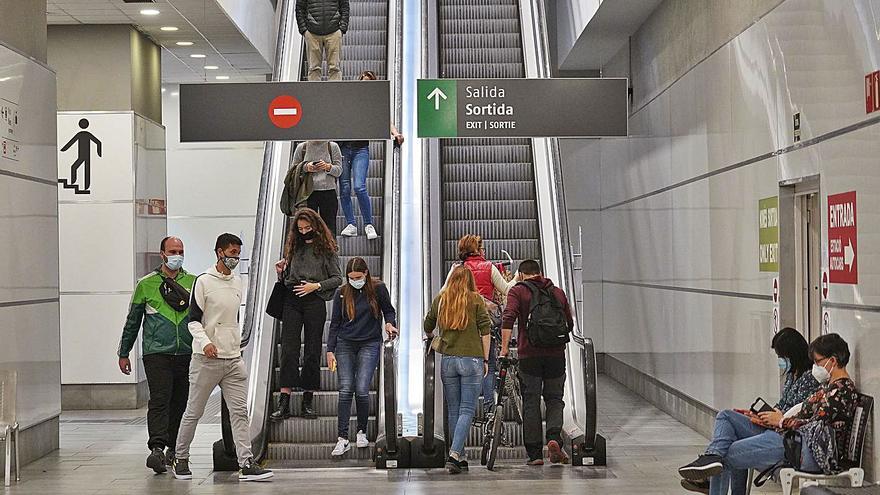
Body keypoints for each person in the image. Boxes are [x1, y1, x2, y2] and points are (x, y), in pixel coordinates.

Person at [678, 333, 859, 495]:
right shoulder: (828, 387)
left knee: (725, 454)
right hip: (788, 437)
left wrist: (781, 421)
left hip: (801, 447)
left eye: (817, 362)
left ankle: (712, 460)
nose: (815, 366)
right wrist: (770, 419)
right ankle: (711, 456)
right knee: (726, 416)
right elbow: (803, 415)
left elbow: (816, 428)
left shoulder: (842, 392)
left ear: (832, 361)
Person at [173, 234, 273, 481]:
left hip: (232, 359)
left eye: (238, 253)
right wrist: (205, 342)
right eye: (232, 253)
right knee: (194, 411)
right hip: (206, 359)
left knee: (239, 413)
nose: (235, 258)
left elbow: (233, 319)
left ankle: (246, 462)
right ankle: (180, 457)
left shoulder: (237, 282)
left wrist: (235, 344)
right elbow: (193, 320)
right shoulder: (203, 281)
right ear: (219, 252)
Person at [117, 236, 195, 474]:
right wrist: (124, 352)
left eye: (180, 251)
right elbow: (133, 321)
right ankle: (157, 448)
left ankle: (174, 447)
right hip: (157, 353)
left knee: (180, 401)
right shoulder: (146, 284)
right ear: (162, 254)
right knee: (160, 399)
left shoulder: (193, 282)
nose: (177, 255)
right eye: (172, 251)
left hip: (186, 352)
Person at [271, 208, 343, 421]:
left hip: (314, 299)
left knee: (312, 349)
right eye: (300, 228)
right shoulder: (294, 246)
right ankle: (284, 401)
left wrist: (316, 286)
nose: (303, 232)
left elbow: (337, 278)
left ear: (316, 226)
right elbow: (288, 276)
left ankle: (307, 399)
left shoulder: (327, 249)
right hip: (292, 297)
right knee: (289, 348)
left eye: (307, 228)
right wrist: (281, 271)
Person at [500, 259, 573, 466]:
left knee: (531, 401)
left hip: (529, 355)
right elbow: (569, 323)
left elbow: (508, 317)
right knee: (555, 398)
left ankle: (535, 454)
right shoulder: (557, 292)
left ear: (521, 275)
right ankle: (554, 437)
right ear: (540, 273)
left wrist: (504, 349)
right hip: (556, 356)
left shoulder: (518, 291)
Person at [327, 257, 398, 456]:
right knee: (345, 389)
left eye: (358, 277)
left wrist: (389, 323)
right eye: (351, 278)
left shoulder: (378, 288)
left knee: (362, 388)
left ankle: (361, 432)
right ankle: (342, 438)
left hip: (370, 342)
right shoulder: (341, 293)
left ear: (366, 273)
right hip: (345, 343)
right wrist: (330, 350)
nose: (355, 281)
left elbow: (389, 311)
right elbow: (335, 323)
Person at [423, 265, 492, 474]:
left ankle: (460, 457)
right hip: (472, 360)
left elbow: (428, 324)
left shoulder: (441, 299)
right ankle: (454, 454)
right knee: (467, 410)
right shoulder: (476, 299)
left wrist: (432, 337)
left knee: (454, 410)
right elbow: (485, 330)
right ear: (470, 281)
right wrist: (486, 359)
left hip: (448, 361)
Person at [445, 234, 516, 415]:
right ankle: (489, 409)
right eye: (481, 248)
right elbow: (507, 289)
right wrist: (517, 277)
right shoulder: (489, 267)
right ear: (476, 250)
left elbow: (444, 293)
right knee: (489, 365)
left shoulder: (457, 270)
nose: (483, 251)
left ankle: (463, 408)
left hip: (462, 324)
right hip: (486, 322)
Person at [338, 70, 405, 240]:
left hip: (361, 149)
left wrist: (396, 133)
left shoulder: (373, 104)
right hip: (343, 148)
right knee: (344, 188)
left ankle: (368, 224)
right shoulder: (350, 101)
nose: (365, 85)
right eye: (362, 81)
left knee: (359, 186)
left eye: (369, 82)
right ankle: (351, 224)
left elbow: (385, 120)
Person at [290, 140, 342, 234]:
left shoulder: (332, 146)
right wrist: (306, 167)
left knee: (329, 228)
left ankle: (329, 243)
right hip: (306, 193)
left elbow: (339, 171)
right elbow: (293, 171)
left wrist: (327, 167)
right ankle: (308, 243)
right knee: (307, 226)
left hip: (328, 191)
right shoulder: (302, 147)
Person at [296, 0, 349, 81]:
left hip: (334, 31)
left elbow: (345, 6)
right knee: (314, 68)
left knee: (335, 68)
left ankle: (335, 89)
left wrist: (342, 28)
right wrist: (304, 30)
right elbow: (299, 8)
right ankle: (314, 89)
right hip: (312, 33)